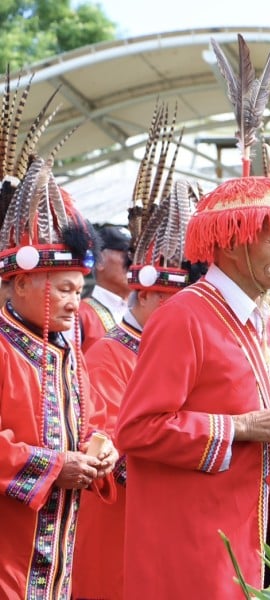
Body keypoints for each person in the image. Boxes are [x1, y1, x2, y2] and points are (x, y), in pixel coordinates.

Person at [114, 34, 270, 599]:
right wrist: (249, 427)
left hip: (249, 542)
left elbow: (265, 433)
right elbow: (136, 429)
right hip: (188, 553)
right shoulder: (184, 318)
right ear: (232, 244)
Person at [72, 104, 201, 600]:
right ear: (142, 295)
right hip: (122, 526)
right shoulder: (107, 356)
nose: (182, 314)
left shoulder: (174, 352)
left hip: (171, 522)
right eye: (171, 303)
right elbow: (107, 440)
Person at [0, 91, 118, 598]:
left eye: (79, 290)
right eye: (65, 289)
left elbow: (87, 421)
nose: (76, 303)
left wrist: (101, 449)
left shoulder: (63, 351)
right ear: (22, 283)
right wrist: (54, 464)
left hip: (60, 545)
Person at [78, 224, 132, 351]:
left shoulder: (143, 313)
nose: (133, 263)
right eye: (127, 254)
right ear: (100, 261)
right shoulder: (79, 315)